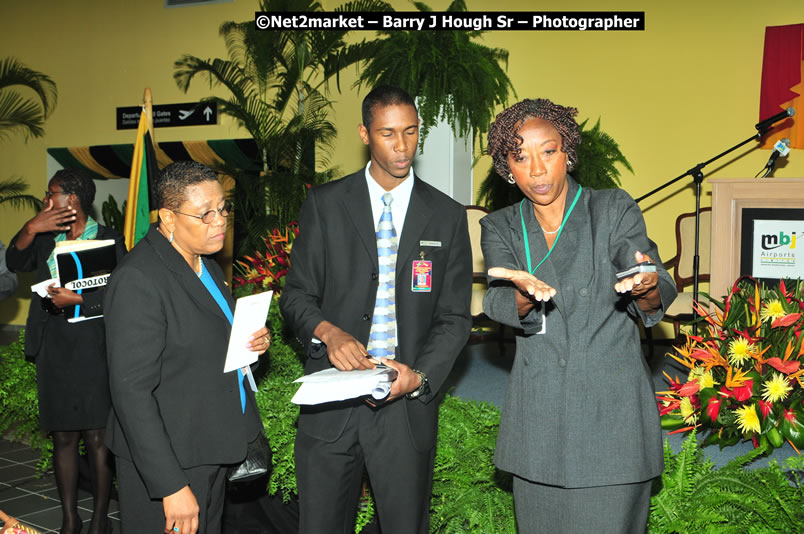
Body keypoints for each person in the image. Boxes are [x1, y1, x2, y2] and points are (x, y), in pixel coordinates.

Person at [279, 85, 472, 534]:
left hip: (404, 409)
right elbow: (296, 296)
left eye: (410, 132)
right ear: (364, 133)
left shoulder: (444, 214)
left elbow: (454, 317)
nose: (402, 145)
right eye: (388, 133)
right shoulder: (325, 205)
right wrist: (328, 332)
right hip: (332, 403)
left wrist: (419, 376)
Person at [480, 98, 677, 533]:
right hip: (539, 422)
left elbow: (647, 275)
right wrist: (524, 295)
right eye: (521, 156)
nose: (536, 170)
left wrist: (643, 284)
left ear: (568, 152)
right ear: (507, 168)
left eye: (548, 152)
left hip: (612, 421)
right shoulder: (501, 227)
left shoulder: (611, 209)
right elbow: (497, 302)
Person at [103, 161, 271, 534]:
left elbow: (204, 346)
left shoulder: (204, 265)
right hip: (171, 459)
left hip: (208, 443)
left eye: (223, 208)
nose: (220, 221)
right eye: (205, 214)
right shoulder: (138, 279)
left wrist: (253, 345)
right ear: (168, 217)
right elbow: (131, 393)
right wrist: (170, 485)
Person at [6, 168, 126, 534]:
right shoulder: (44, 238)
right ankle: (70, 516)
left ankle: (100, 517)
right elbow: (14, 262)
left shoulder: (109, 239)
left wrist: (82, 299)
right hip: (55, 348)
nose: (46, 201)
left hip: (95, 347)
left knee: (98, 438)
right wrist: (32, 226)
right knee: (63, 436)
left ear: (71, 199)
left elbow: (123, 293)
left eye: (51, 194)